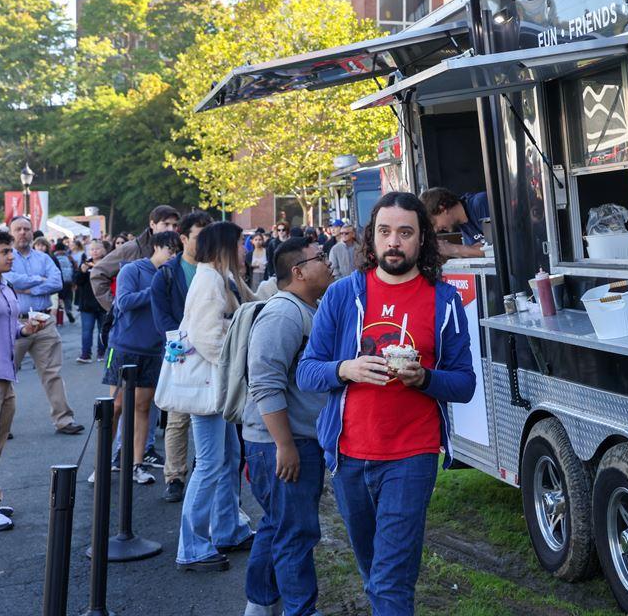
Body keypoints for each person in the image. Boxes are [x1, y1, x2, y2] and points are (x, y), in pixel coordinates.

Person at [297, 192, 475, 614]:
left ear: (421, 240)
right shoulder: (342, 296)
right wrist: (346, 369)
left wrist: (425, 378)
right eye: (385, 232)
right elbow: (307, 371)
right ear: (371, 239)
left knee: (391, 581)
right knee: (376, 574)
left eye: (405, 233)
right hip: (349, 456)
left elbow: (464, 384)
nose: (394, 241)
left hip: (411, 457)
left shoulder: (443, 300)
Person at [242, 236, 332, 616]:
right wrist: (285, 446)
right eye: (320, 258)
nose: (328, 263)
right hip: (281, 443)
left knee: (279, 525)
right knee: (297, 533)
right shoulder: (283, 314)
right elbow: (264, 383)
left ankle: (260, 604)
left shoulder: (305, 307)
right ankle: (300, 610)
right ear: (298, 272)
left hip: (291, 441)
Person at [176, 221, 254, 572]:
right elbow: (208, 338)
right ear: (226, 245)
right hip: (210, 386)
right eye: (241, 243)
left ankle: (227, 529)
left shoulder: (220, 277)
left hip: (217, 386)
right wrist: (240, 362)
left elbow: (252, 305)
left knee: (227, 457)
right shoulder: (210, 280)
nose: (245, 250)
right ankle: (191, 546)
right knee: (210, 463)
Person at [101, 231, 182, 486]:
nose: (173, 255)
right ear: (156, 247)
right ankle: (104, 464)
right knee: (116, 407)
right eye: (170, 250)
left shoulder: (173, 276)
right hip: (123, 346)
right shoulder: (133, 270)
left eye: (177, 251)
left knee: (143, 408)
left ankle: (137, 463)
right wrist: (156, 291)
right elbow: (122, 302)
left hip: (153, 348)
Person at [151, 210, 211, 502]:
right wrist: (178, 340)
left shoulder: (214, 268)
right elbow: (160, 313)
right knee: (178, 417)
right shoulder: (167, 273)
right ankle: (174, 475)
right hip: (181, 351)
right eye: (198, 237)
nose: (204, 243)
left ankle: (205, 468)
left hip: (211, 352)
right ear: (183, 238)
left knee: (211, 413)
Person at [6, 216, 82, 434]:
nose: (23, 233)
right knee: (5, 375)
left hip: (43, 320)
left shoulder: (44, 258)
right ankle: (3, 424)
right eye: (18, 229)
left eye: (27, 229)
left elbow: (57, 282)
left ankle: (64, 420)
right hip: (14, 321)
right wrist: (40, 280)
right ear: (11, 232)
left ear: (33, 232)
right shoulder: (6, 258)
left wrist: (30, 287)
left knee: (52, 373)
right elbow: (11, 280)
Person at [0, 229, 51, 531]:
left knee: (0, 440)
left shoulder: (5, 285)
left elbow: (7, 325)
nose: (11, 257)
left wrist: (25, 330)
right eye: (5, 252)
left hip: (6, 373)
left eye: (10, 251)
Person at [419, 187, 490, 259]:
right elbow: (480, 250)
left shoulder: (480, 203)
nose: (435, 230)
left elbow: (495, 248)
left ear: (442, 208)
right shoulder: (462, 225)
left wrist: (451, 249)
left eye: (434, 224)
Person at [74, 240, 108, 363]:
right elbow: (77, 281)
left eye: (97, 249)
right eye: (92, 249)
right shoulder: (85, 264)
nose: (94, 251)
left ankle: (102, 352)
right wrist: (82, 272)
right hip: (87, 303)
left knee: (103, 329)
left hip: (103, 302)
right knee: (86, 330)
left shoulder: (107, 263)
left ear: (104, 250)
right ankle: (85, 354)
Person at [52, 240, 77, 323]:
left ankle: (59, 315)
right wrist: (74, 281)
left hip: (59, 281)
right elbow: (75, 267)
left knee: (58, 298)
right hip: (68, 281)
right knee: (68, 297)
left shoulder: (53, 257)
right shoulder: (69, 257)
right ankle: (68, 310)